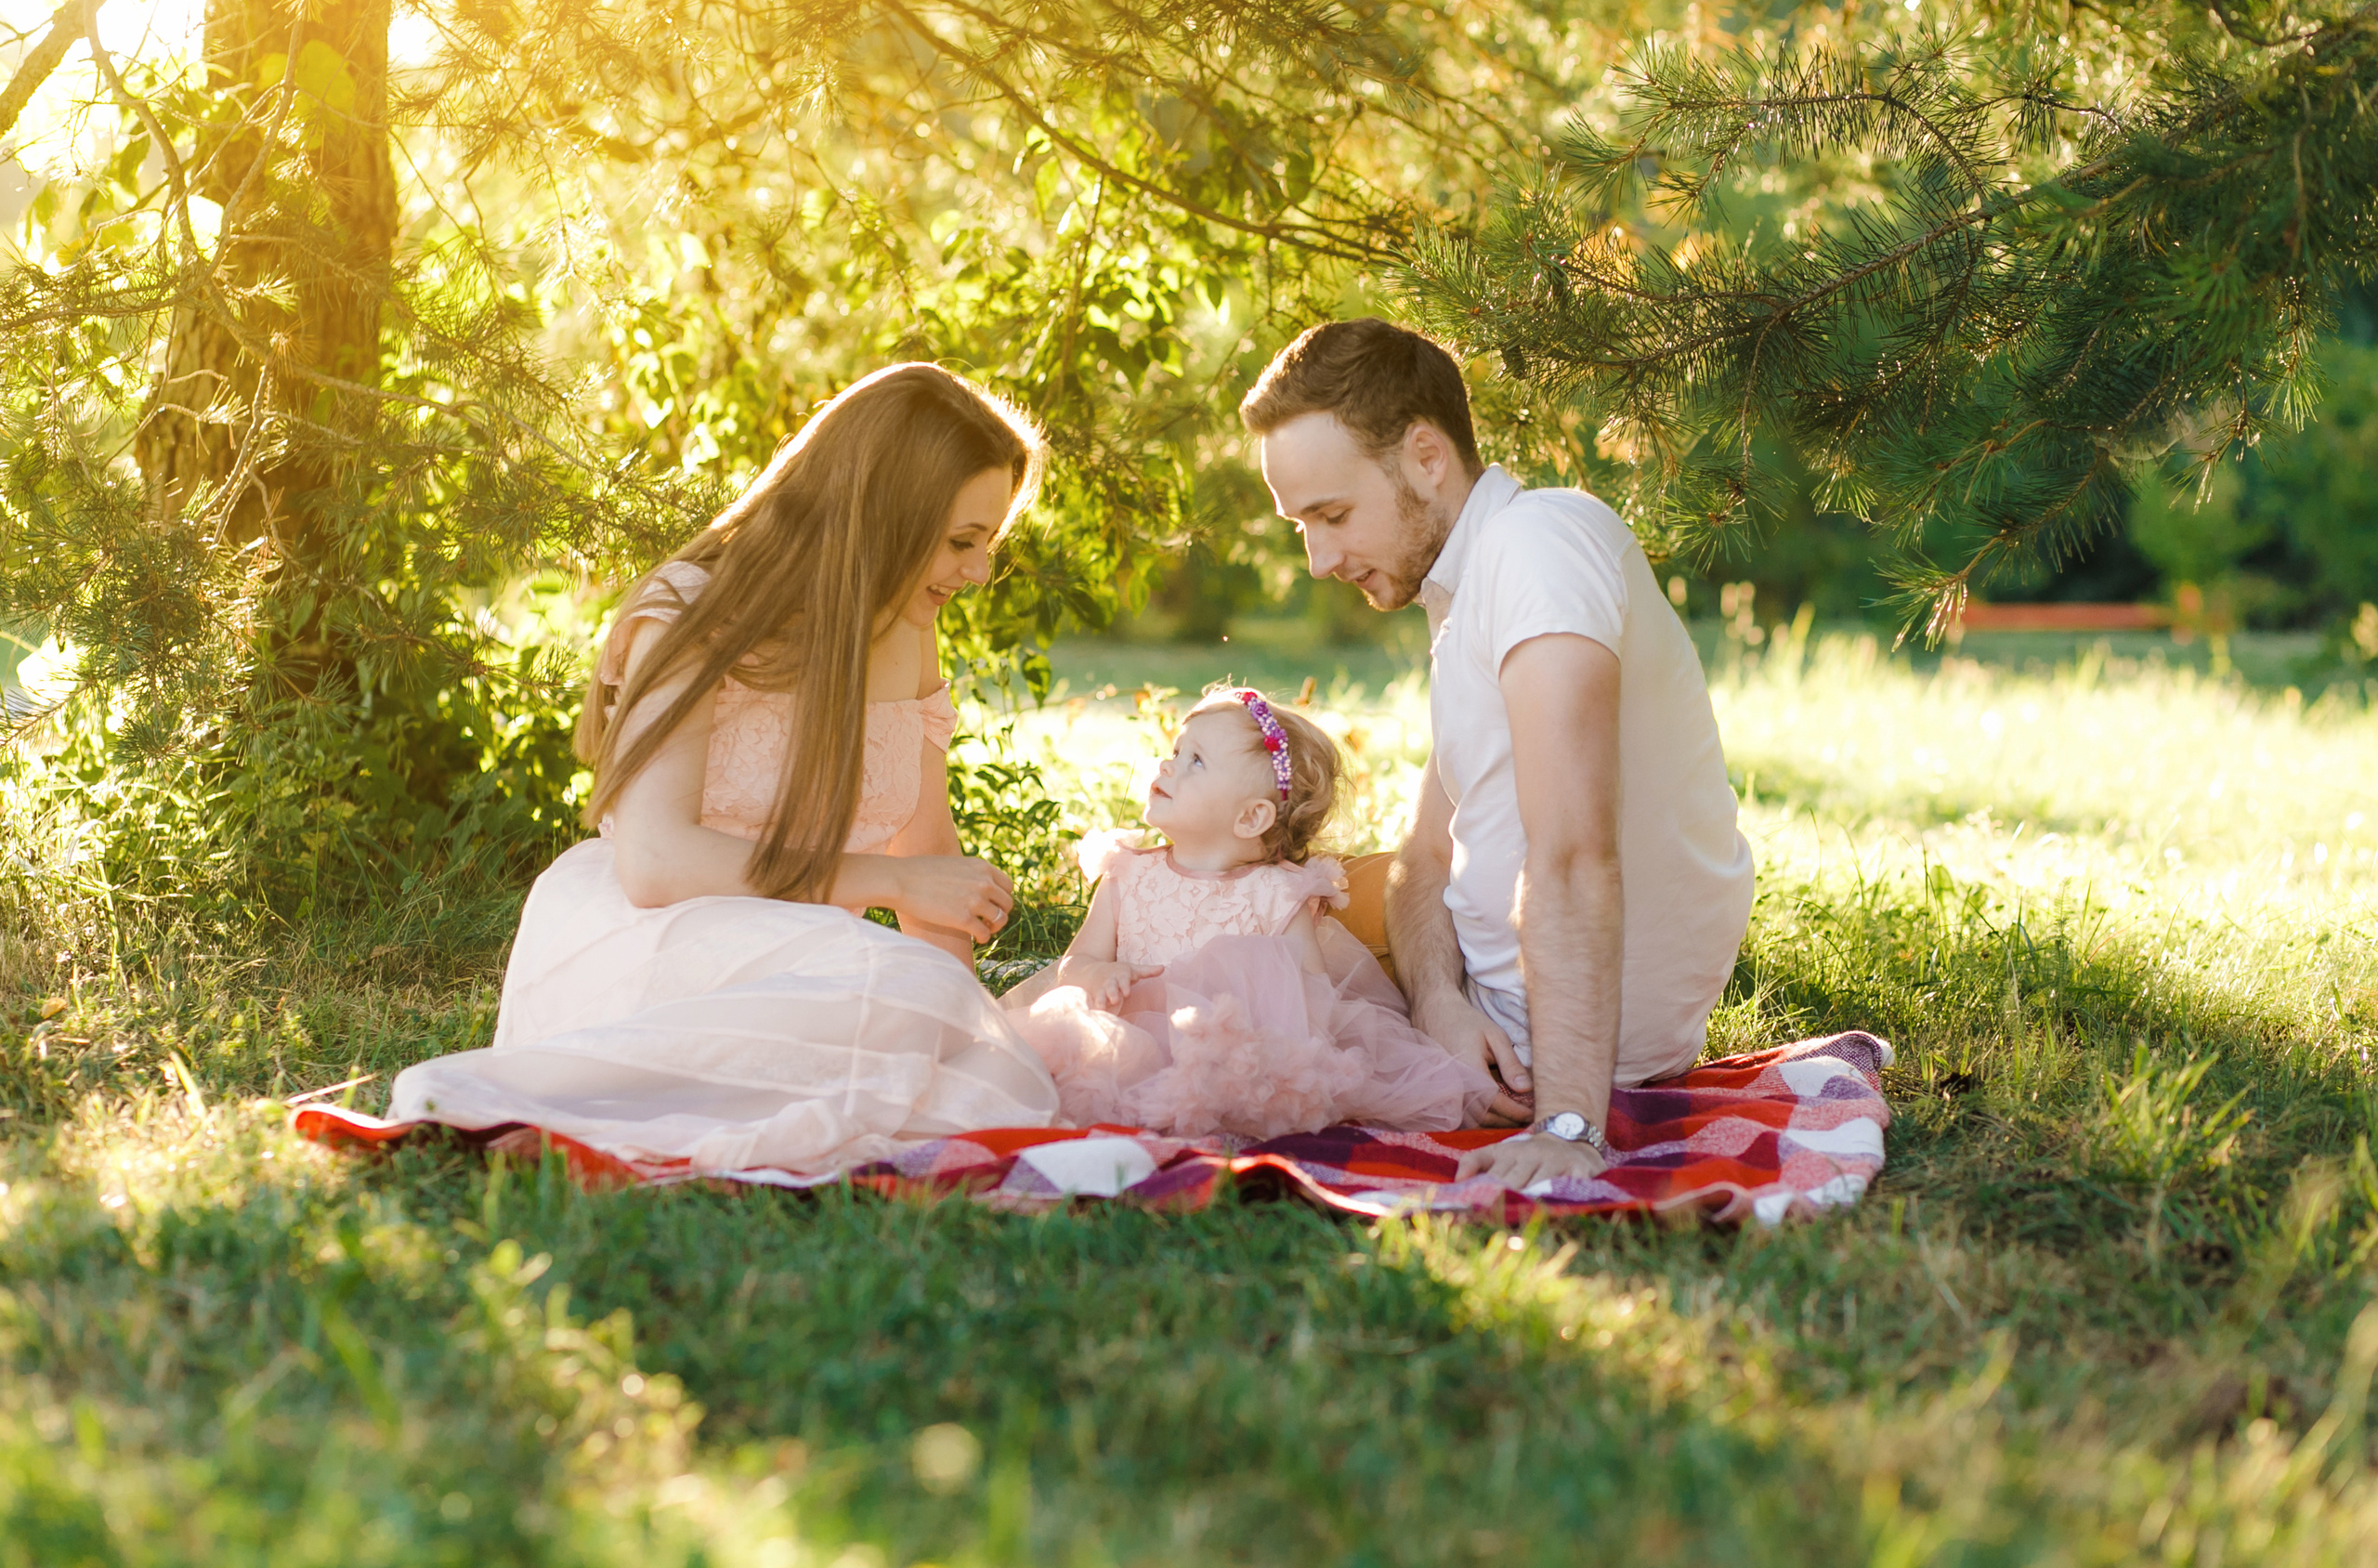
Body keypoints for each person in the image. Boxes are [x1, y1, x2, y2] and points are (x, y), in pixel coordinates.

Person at [386, 364, 1062, 1175]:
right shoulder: (692, 604)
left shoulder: (907, 627)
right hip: (653, 940)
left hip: (805, 957)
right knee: (892, 1001)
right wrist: (892, 886)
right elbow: (657, 862)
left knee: (948, 1031)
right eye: (962, 542)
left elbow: (927, 861)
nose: (979, 570)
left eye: (988, 543)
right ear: (883, 511)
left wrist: (965, 1017)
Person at [1238, 320, 1755, 1190]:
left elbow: (1576, 855)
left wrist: (1567, 1123)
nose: (1320, 558)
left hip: (1572, 1034)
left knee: (1238, 917)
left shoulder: (1537, 547)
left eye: (1331, 515)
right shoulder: (1471, 588)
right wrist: (1439, 1003)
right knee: (1256, 889)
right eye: (1302, 526)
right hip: (1494, 1005)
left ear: (1427, 457)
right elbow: (1423, 858)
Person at [1001, 687, 1492, 1138]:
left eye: (1195, 761)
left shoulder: (1278, 895)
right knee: (1040, 1070)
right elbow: (1074, 964)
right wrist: (1099, 974)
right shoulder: (1127, 875)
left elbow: (1311, 997)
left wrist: (1268, 1051)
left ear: (1250, 817)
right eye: (1175, 752)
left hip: (1237, 1067)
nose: (1166, 766)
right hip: (1124, 1049)